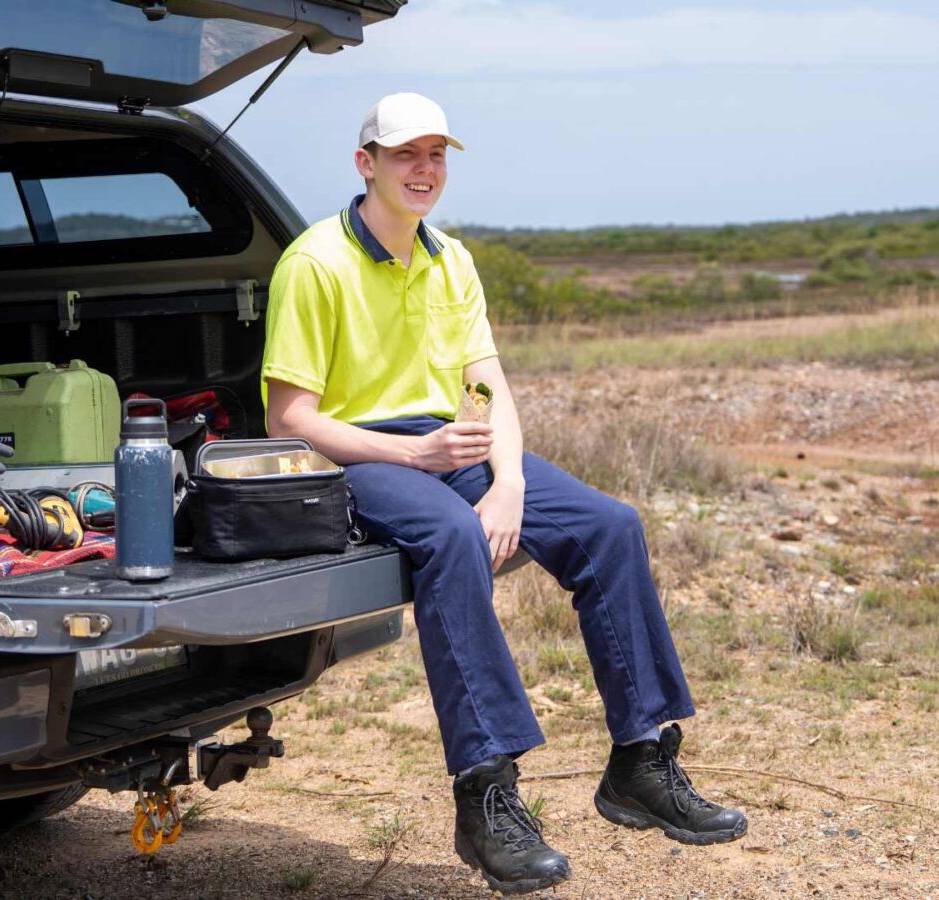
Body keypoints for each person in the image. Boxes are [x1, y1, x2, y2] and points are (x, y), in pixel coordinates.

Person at [261, 93, 747, 895]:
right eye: (405, 155)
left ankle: (640, 761)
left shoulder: (451, 258)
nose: (424, 170)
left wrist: (511, 485)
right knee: (452, 537)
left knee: (608, 526)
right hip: (357, 453)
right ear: (365, 165)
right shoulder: (314, 263)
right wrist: (414, 454)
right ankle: (487, 795)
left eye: (436, 155)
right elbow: (292, 419)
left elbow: (489, 387)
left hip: (452, 445)